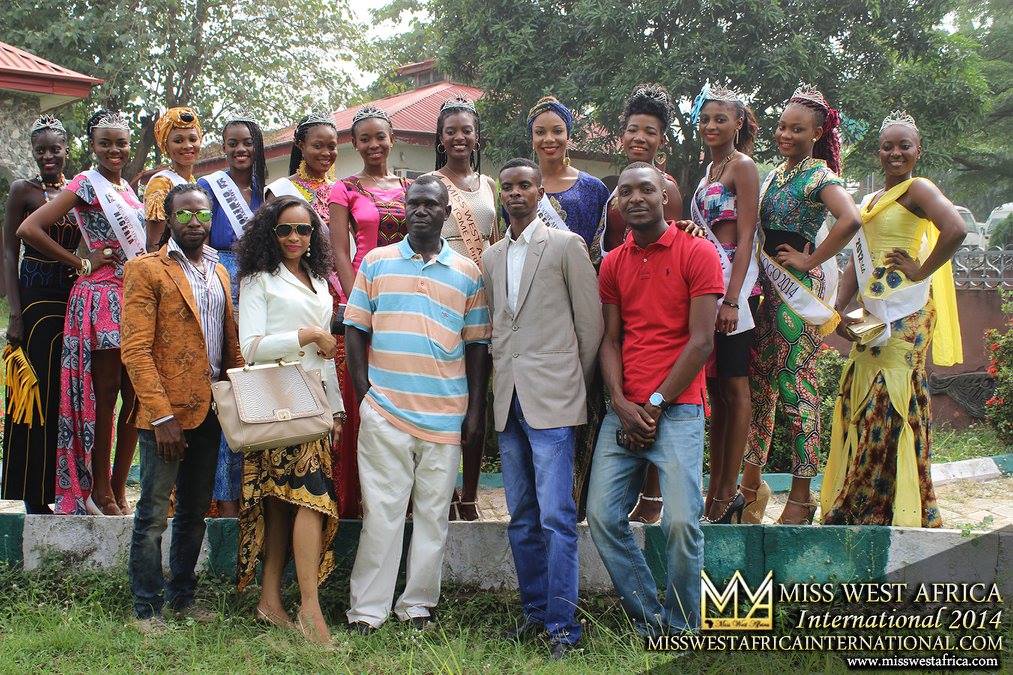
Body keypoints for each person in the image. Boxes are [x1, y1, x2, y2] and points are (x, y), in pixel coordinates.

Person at [343, 175, 490, 633]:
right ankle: (367, 610)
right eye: (414, 203)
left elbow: (477, 346)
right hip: (386, 411)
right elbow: (354, 328)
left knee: (432, 516)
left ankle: (418, 605)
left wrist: (475, 411)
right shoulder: (377, 262)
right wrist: (366, 394)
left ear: (447, 213)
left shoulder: (468, 272)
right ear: (404, 210)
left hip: (445, 415)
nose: (421, 210)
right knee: (382, 514)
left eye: (431, 204)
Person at [586, 162, 723, 638]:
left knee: (682, 523)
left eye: (646, 189)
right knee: (602, 517)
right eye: (625, 192)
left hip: (678, 408)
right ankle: (650, 620)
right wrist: (620, 403)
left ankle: (683, 627)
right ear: (617, 204)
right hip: (626, 411)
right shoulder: (612, 263)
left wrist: (657, 403)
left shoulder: (697, 251)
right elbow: (610, 341)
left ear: (666, 197)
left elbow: (702, 342)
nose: (636, 198)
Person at [482, 158, 602, 658]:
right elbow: (498, 325)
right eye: (507, 187)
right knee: (521, 517)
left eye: (524, 186)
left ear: (539, 193)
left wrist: (575, 386)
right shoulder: (491, 256)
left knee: (556, 516)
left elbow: (590, 326)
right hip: (508, 399)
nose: (515, 193)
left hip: (554, 398)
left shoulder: (566, 245)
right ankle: (534, 614)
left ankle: (563, 627)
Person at [821, 111, 965, 527]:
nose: (895, 153)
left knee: (893, 400)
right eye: (887, 146)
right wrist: (838, 306)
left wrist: (921, 271)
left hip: (908, 312)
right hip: (873, 313)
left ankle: (884, 504)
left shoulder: (919, 189)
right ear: (878, 152)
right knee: (863, 396)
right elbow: (856, 262)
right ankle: (865, 498)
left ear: (918, 151)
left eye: (904, 146)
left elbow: (955, 229)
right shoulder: (868, 203)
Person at [122, 183, 242, 634]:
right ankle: (146, 608)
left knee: (194, 511)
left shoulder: (220, 271)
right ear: (169, 219)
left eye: (202, 214)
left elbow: (228, 345)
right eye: (185, 214)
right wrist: (161, 416)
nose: (195, 222)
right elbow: (135, 350)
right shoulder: (146, 269)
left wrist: (239, 398)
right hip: (165, 417)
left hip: (210, 410)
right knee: (154, 513)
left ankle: (183, 598)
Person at [741, 84, 862, 524]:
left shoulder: (819, 176)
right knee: (761, 389)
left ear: (817, 133)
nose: (786, 135)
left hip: (797, 294)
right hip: (768, 293)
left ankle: (800, 496)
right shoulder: (776, 174)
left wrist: (810, 260)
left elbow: (850, 219)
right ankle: (750, 488)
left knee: (796, 388)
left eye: (797, 129)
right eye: (782, 127)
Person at [19, 110, 143, 516]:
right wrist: (81, 261)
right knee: (105, 395)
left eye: (121, 143)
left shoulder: (127, 188)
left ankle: (120, 488)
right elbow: (29, 229)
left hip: (132, 297)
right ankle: (100, 490)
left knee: (135, 396)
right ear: (92, 146)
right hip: (100, 297)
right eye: (105, 143)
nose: (114, 150)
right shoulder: (85, 183)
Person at [234, 195, 344, 645]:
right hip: (278, 403)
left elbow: (325, 355)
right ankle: (310, 608)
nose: (295, 237)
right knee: (308, 500)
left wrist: (336, 409)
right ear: (270, 233)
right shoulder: (258, 280)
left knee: (283, 505)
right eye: (285, 229)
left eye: (303, 229)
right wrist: (308, 333)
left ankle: (269, 601)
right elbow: (250, 347)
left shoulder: (318, 279)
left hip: (314, 404)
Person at [591, 83, 687, 526]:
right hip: (617, 290)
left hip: (655, 297)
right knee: (621, 382)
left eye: (650, 131)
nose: (639, 138)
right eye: (633, 129)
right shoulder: (616, 189)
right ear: (621, 135)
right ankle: (620, 482)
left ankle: (652, 493)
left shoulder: (665, 187)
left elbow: (675, 238)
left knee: (653, 386)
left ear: (661, 139)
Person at [523, 95, 610, 520]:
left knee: (584, 396)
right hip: (536, 310)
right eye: (541, 132)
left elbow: (600, 248)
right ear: (532, 138)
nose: (549, 139)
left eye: (557, 130)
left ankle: (579, 497)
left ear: (569, 135)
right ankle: (546, 498)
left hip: (581, 303)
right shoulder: (522, 185)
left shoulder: (593, 188)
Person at [683, 84, 761, 523]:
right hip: (710, 290)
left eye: (720, 119)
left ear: (738, 123)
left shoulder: (742, 167)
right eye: (705, 119)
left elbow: (746, 236)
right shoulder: (708, 172)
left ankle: (730, 492)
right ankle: (714, 490)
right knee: (716, 392)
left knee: (735, 387)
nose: (711, 126)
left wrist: (732, 299)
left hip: (736, 291)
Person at [328, 105, 410, 519]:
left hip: (405, 300)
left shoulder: (412, 187)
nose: (374, 144)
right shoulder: (344, 189)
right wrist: (357, 300)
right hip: (363, 296)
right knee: (360, 392)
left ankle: (402, 496)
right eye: (365, 139)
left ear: (392, 139)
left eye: (381, 137)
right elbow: (339, 251)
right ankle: (354, 501)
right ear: (355, 144)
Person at [1, 116, 81, 514]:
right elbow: (8, 251)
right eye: (40, 150)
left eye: (55, 149)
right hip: (34, 302)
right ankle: (32, 494)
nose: (48, 156)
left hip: (73, 300)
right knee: (36, 395)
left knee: (68, 393)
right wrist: (15, 314)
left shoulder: (78, 189)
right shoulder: (23, 190)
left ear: (67, 149)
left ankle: (67, 488)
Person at [428, 95, 501, 521]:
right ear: (440, 138)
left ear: (477, 137)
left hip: (483, 295)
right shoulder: (430, 182)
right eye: (451, 131)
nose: (459, 137)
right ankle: (442, 490)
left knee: (477, 395)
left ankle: (470, 494)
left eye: (466, 130)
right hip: (442, 292)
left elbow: (496, 240)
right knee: (442, 393)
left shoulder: (490, 184)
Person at [196, 114, 266, 517]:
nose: (241, 150)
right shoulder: (209, 187)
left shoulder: (265, 191)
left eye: (247, 143)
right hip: (218, 281)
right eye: (233, 143)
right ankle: (222, 498)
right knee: (223, 386)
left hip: (256, 284)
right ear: (223, 147)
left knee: (249, 388)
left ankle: (250, 493)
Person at [143, 107, 204, 249]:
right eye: (178, 141)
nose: (187, 146)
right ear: (166, 146)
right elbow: (154, 245)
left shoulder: (192, 181)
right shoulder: (160, 184)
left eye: (193, 139)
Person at [266, 113, 338, 227]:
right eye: (317, 146)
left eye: (331, 147)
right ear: (301, 146)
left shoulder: (341, 188)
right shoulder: (280, 190)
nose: (326, 153)